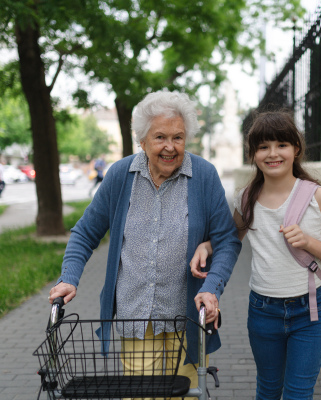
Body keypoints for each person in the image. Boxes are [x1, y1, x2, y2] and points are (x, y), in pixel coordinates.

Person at [48, 90, 241, 396]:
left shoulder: (203, 176)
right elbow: (85, 232)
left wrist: (211, 288)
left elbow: (227, 240)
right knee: (142, 394)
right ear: (142, 140)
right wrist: (69, 278)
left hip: (188, 316)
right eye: (160, 137)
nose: (169, 147)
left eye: (178, 137)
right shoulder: (120, 176)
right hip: (137, 318)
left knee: (188, 393)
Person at [191, 111, 321, 400]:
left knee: (298, 393)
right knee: (267, 390)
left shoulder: (319, 197)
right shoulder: (247, 199)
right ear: (253, 154)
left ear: (296, 149)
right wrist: (207, 246)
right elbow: (230, 239)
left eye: (281, 144)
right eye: (263, 146)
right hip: (263, 310)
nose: (272, 154)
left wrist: (308, 242)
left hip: (309, 310)